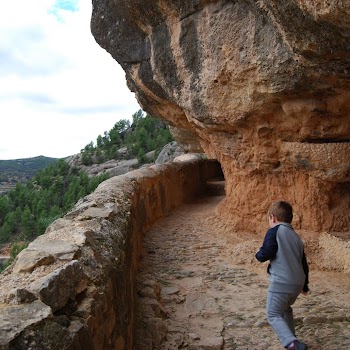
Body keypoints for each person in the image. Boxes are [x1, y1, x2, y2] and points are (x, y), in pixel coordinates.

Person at [255, 201, 309, 350]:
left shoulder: (274, 231)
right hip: (297, 283)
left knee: (273, 314)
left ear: (273, 218)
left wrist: (258, 255)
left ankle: (291, 343)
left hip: (281, 282)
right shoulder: (296, 237)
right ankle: (292, 339)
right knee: (285, 309)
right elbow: (303, 263)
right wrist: (304, 286)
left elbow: (267, 251)